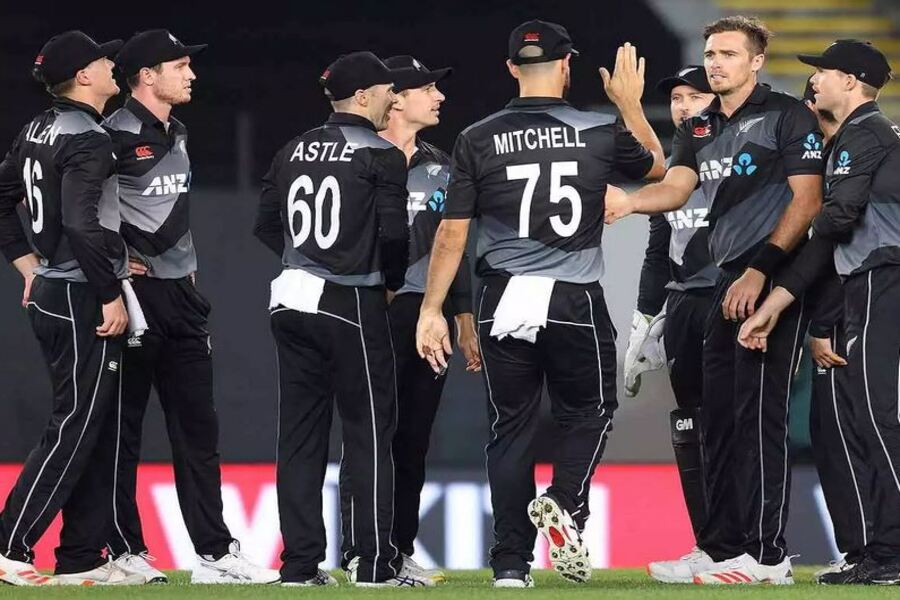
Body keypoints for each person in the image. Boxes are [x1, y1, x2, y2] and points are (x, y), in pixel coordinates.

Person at [416, 20, 664, 588]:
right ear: (567, 65)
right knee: (590, 411)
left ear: (511, 68)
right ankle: (565, 501)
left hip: (501, 296)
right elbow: (655, 165)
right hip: (572, 295)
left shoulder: (476, 136)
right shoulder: (598, 129)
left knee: (510, 428)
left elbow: (453, 233)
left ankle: (509, 565)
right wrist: (628, 103)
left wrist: (433, 309)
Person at [604, 15, 824, 585]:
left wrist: (759, 270)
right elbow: (677, 188)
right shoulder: (699, 126)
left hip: (769, 280)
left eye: (728, 53)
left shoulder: (787, 115)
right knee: (719, 422)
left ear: (756, 62)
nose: (716, 62)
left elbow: (808, 200)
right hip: (726, 282)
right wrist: (630, 203)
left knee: (759, 417)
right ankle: (723, 548)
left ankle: (768, 556)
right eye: (710, 54)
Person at [93, 29, 278, 585]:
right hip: (135, 297)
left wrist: (187, 271)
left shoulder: (176, 130)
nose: (191, 74)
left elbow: (170, 210)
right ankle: (123, 550)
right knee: (122, 429)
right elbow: (78, 212)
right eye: (179, 66)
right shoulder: (110, 136)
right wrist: (116, 265)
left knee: (198, 429)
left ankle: (215, 556)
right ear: (147, 76)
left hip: (181, 296)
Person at [254, 51, 430, 587]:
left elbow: (265, 225)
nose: (392, 100)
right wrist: (388, 281)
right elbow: (394, 236)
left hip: (291, 296)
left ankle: (299, 566)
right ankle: (374, 564)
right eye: (387, 92)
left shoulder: (290, 149)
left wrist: (307, 258)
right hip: (352, 299)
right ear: (363, 96)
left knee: (299, 436)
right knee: (370, 431)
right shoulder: (382, 153)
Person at [739, 39, 898, 585]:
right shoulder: (860, 137)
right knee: (861, 419)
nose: (814, 80)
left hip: (882, 277)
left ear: (851, 81)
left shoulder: (865, 134)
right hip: (869, 280)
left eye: (824, 72)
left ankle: (892, 552)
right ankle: (881, 551)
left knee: (876, 417)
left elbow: (837, 219)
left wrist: (780, 289)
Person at [0, 31, 140, 586]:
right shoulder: (89, 137)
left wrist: (28, 266)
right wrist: (108, 292)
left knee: (91, 424)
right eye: (104, 60)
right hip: (80, 293)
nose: (112, 66)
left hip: (55, 289)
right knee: (75, 421)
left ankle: (82, 555)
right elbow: (82, 224)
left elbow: (2, 199)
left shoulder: (37, 127)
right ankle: (9, 544)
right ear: (83, 76)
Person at [338, 54, 480, 584]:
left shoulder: (444, 165)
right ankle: (360, 550)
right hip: (368, 310)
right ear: (394, 98)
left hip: (428, 316)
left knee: (414, 437)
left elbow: (454, 244)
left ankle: (397, 549)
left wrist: (463, 314)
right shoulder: (355, 157)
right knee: (369, 432)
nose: (439, 97)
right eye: (427, 88)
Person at [624, 65, 717, 583]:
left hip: (732, 299)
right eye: (677, 98)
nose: (683, 106)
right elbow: (658, 251)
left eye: (694, 96)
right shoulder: (677, 165)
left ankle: (754, 545)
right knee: (690, 425)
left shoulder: (739, 156)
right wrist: (643, 318)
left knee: (736, 427)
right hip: (683, 306)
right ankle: (709, 544)